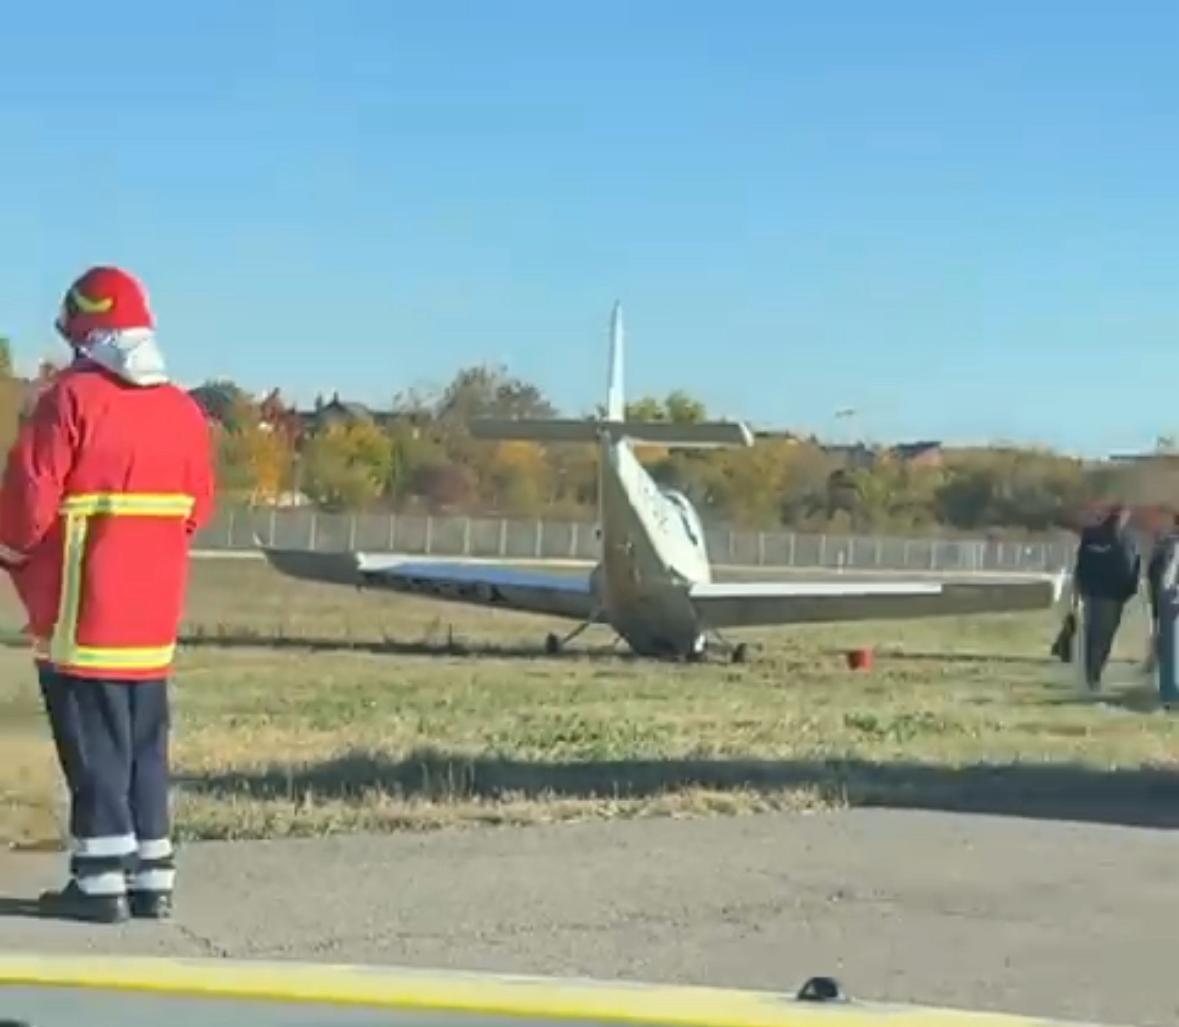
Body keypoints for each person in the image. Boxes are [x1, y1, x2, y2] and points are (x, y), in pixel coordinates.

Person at [0, 266, 215, 923]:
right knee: (144, 746)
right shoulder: (183, 409)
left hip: (81, 612)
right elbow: (197, 508)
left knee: (94, 749)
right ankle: (152, 875)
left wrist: (8, 554)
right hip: (152, 623)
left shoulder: (67, 400)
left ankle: (98, 882)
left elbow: (27, 506)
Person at [1071, 504, 1141, 690]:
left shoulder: (1128, 538)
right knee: (1098, 635)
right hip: (1100, 593)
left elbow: (1134, 565)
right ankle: (1092, 676)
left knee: (1101, 635)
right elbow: (1082, 565)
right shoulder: (1096, 536)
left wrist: (1129, 589)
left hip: (1109, 594)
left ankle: (1094, 673)